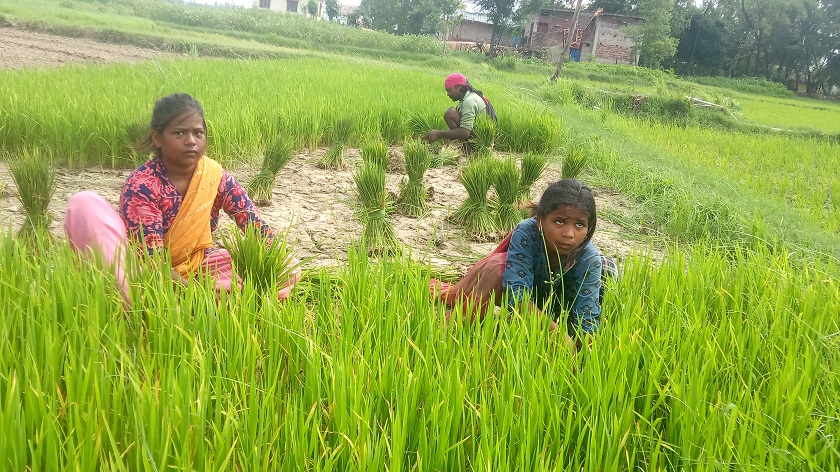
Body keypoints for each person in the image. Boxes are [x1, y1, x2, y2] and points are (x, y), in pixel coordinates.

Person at [64, 93, 300, 302]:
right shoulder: (144, 185)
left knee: (289, 267)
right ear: (158, 138)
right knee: (129, 280)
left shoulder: (215, 177)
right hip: (147, 269)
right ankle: (171, 301)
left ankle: (218, 298)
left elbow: (256, 227)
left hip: (197, 265)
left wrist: (270, 265)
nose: (191, 141)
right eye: (179, 133)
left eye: (198, 133)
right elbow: (151, 261)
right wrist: (197, 295)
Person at [431, 179, 617, 348]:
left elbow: (587, 316)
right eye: (559, 222)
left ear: (589, 227)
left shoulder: (588, 258)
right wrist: (556, 333)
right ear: (540, 220)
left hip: (558, 300)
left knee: (605, 271)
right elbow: (517, 292)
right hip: (527, 290)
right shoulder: (527, 233)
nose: (569, 234)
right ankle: (457, 328)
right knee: (497, 269)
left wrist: (585, 354)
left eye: (579, 225)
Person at [426, 73, 497, 153]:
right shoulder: (467, 99)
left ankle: (470, 151)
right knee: (452, 114)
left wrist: (439, 134)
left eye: (449, 90)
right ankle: (468, 149)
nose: (448, 94)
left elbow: (464, 132)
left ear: (458, 87)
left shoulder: (469, 101)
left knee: (450, 114)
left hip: (483, 142)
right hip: (482, 138)